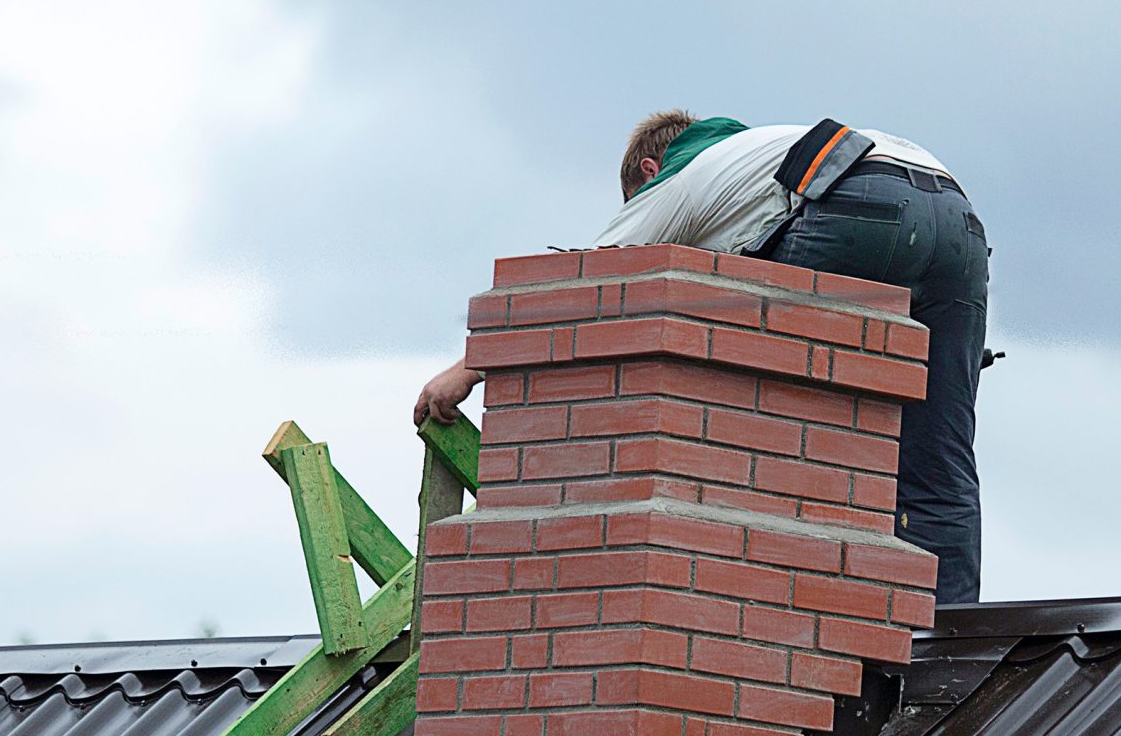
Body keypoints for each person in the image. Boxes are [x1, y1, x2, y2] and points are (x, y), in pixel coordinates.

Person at [415, 111, 990, 605]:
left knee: (752, 385)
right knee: (939, 455)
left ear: (648, 170)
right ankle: (948, 646)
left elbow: (587, 284)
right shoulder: (756, 157)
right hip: (958, 223)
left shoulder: (681, 173)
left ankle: (780, 595)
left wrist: (467, 369)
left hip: (853, 200)